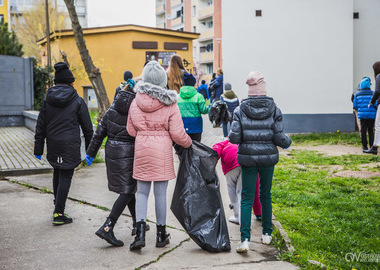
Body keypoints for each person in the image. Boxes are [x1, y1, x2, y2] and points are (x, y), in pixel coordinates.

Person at [127, 61, 192, 250]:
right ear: (163, 80)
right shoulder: (170, 103)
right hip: (162, 152)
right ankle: (161, 235)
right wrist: (189, 144)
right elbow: (178, 135)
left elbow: (130, 130)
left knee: (142, 193)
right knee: (160, 194)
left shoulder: (135, 101)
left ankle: (139, 233)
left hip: (142, 150)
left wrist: (144, 132)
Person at [229, 71, 291, 253]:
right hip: (268, 159)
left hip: (248, 158)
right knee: (265, 194)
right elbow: (280, 138)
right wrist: (288, 142)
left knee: (247, 197)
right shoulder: (274, 109)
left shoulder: (239, 110)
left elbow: (234, 138)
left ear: (249, 91)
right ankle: (267, 234)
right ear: (264, 90)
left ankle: (245, 240)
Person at [34, 62, 93, 225]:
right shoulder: (78, 101)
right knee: (66, 173)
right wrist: (90, 151)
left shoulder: (47, 100)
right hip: (69, 144)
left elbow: (40, 126)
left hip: (53, 143)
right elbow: (88, 128)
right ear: (71, 82)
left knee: (57, 170)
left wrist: (38, 148)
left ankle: (57, 203)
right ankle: (59, 213)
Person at [85, 79, 139, 247]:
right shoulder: (135, 110)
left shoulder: (111, 109)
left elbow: (98, 134)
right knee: (128, 190)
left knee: (128, 189)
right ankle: (108, 226)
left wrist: (90, 154)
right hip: (129, 152)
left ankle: (138, 224)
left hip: (112, 151)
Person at [212, 140, 261, 225]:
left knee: (231, 186)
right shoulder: (247, 144)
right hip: (246, 162)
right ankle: (244, 221)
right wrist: (258, 212)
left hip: (230, 163)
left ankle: (237, 216)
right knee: (240, 191)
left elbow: (215, 150)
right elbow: (256, 190)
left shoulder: (225, 142)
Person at [178, 73, 210, 142]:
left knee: (184, 149)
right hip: (196, 127)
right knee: (196, 148)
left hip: (182, 126)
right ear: (193, 83)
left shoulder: (177, 97)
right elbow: (204, 110)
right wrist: (209, 108)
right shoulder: (199, 96)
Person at [353, 77, 376, 152]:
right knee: (370, 131)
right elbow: (375, 104)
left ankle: (364, 146)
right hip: (371, 116)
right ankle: (371, 146)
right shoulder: (373, 94)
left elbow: (355, 106)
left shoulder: (357, 95)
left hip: (362, 116)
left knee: (363, 131)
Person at [365, 61, 380, 155]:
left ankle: (375, 147)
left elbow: (378, 91)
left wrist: (371, 102)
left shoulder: (379, 76)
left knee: (378, 125)